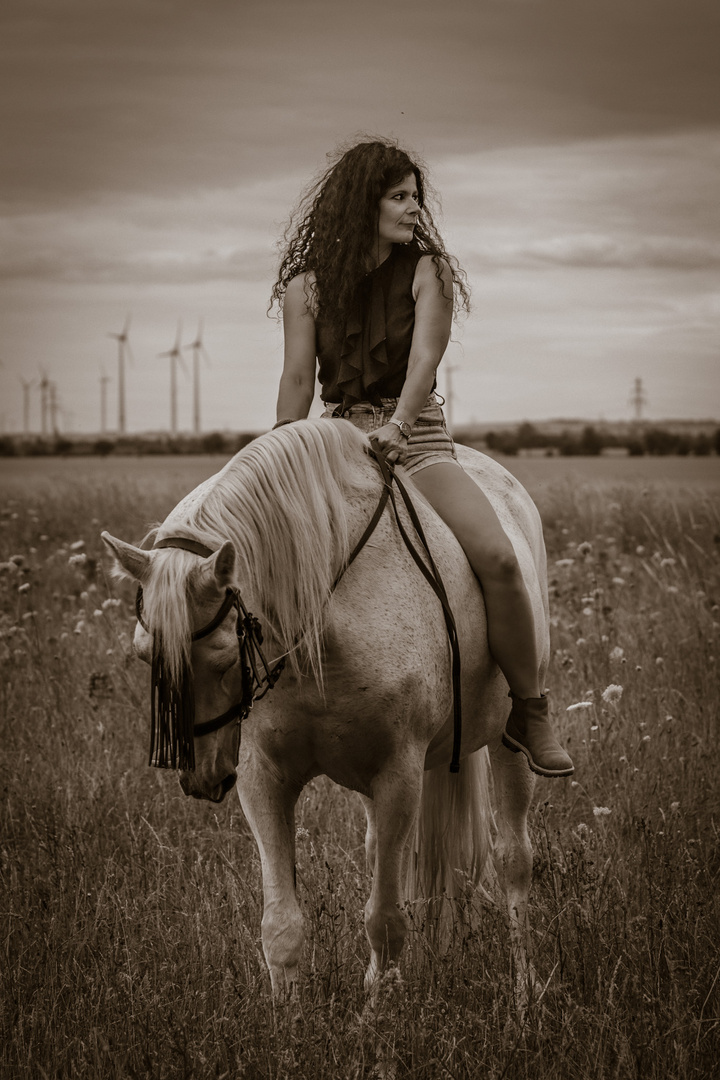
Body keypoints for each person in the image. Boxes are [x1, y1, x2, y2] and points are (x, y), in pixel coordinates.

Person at [270, 138, 573, 778]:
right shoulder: (306, 286)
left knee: (497, 557)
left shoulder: (428, 270)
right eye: (399, 197)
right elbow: (298, 380)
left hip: (419, 438)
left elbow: (424, 360)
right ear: (363, 204)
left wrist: (401, 427)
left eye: (415, 197)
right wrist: (280, 460)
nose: (413, 209)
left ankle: (530, 708)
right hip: (338, 440)